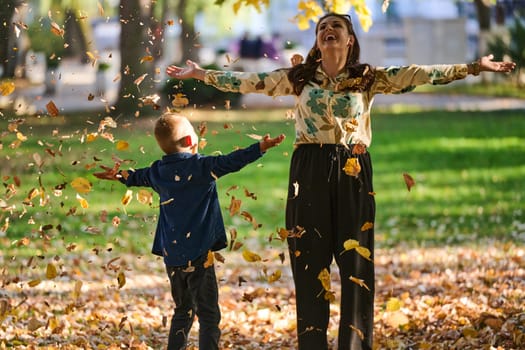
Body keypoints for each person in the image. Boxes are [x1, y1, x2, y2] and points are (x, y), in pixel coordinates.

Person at [166, 12, 515, 350]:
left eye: (336, 26)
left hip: (354, 169)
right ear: (318, 42)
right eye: (322, 27)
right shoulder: (300, 78)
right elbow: (248, 80)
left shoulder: (367, 77)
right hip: (308, 170)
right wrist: (200, 74)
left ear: (350, 40)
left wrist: (473, 67)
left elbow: (418, 74)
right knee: (309, 263)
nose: (328, 30)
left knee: (356, 266)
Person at [93, 112, 285, 350]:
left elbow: (138, 177)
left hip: (171, 254)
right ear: (188, 142)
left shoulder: (158, 171)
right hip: (200, 254)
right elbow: (231, 161)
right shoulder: (202, 167)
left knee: (183, 310)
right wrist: (260, 147)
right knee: (209, 315)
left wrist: (121, 175)